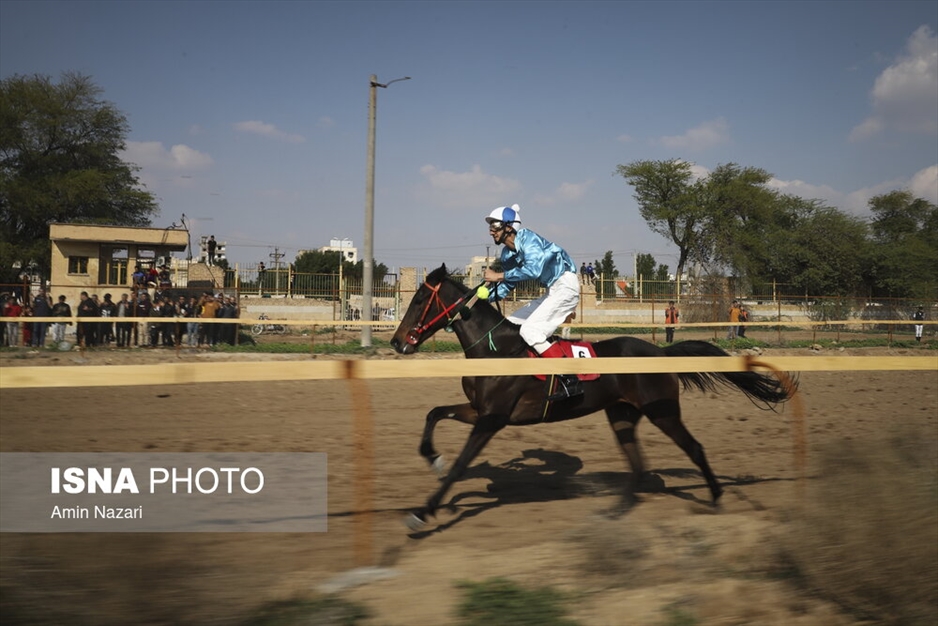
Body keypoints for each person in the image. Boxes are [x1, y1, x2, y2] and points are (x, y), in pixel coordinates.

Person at [482, 204, 582, 400]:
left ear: (509, 227)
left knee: (530, 331)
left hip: (566, 285)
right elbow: (506, 285)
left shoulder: (529, 238)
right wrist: (479, 298)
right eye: (490, 226)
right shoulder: (506, 254)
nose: (490, 231)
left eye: (494, 225)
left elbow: (533, 270)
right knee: (510, 324)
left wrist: (498, 275)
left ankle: (570, 380)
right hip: (552, 290)